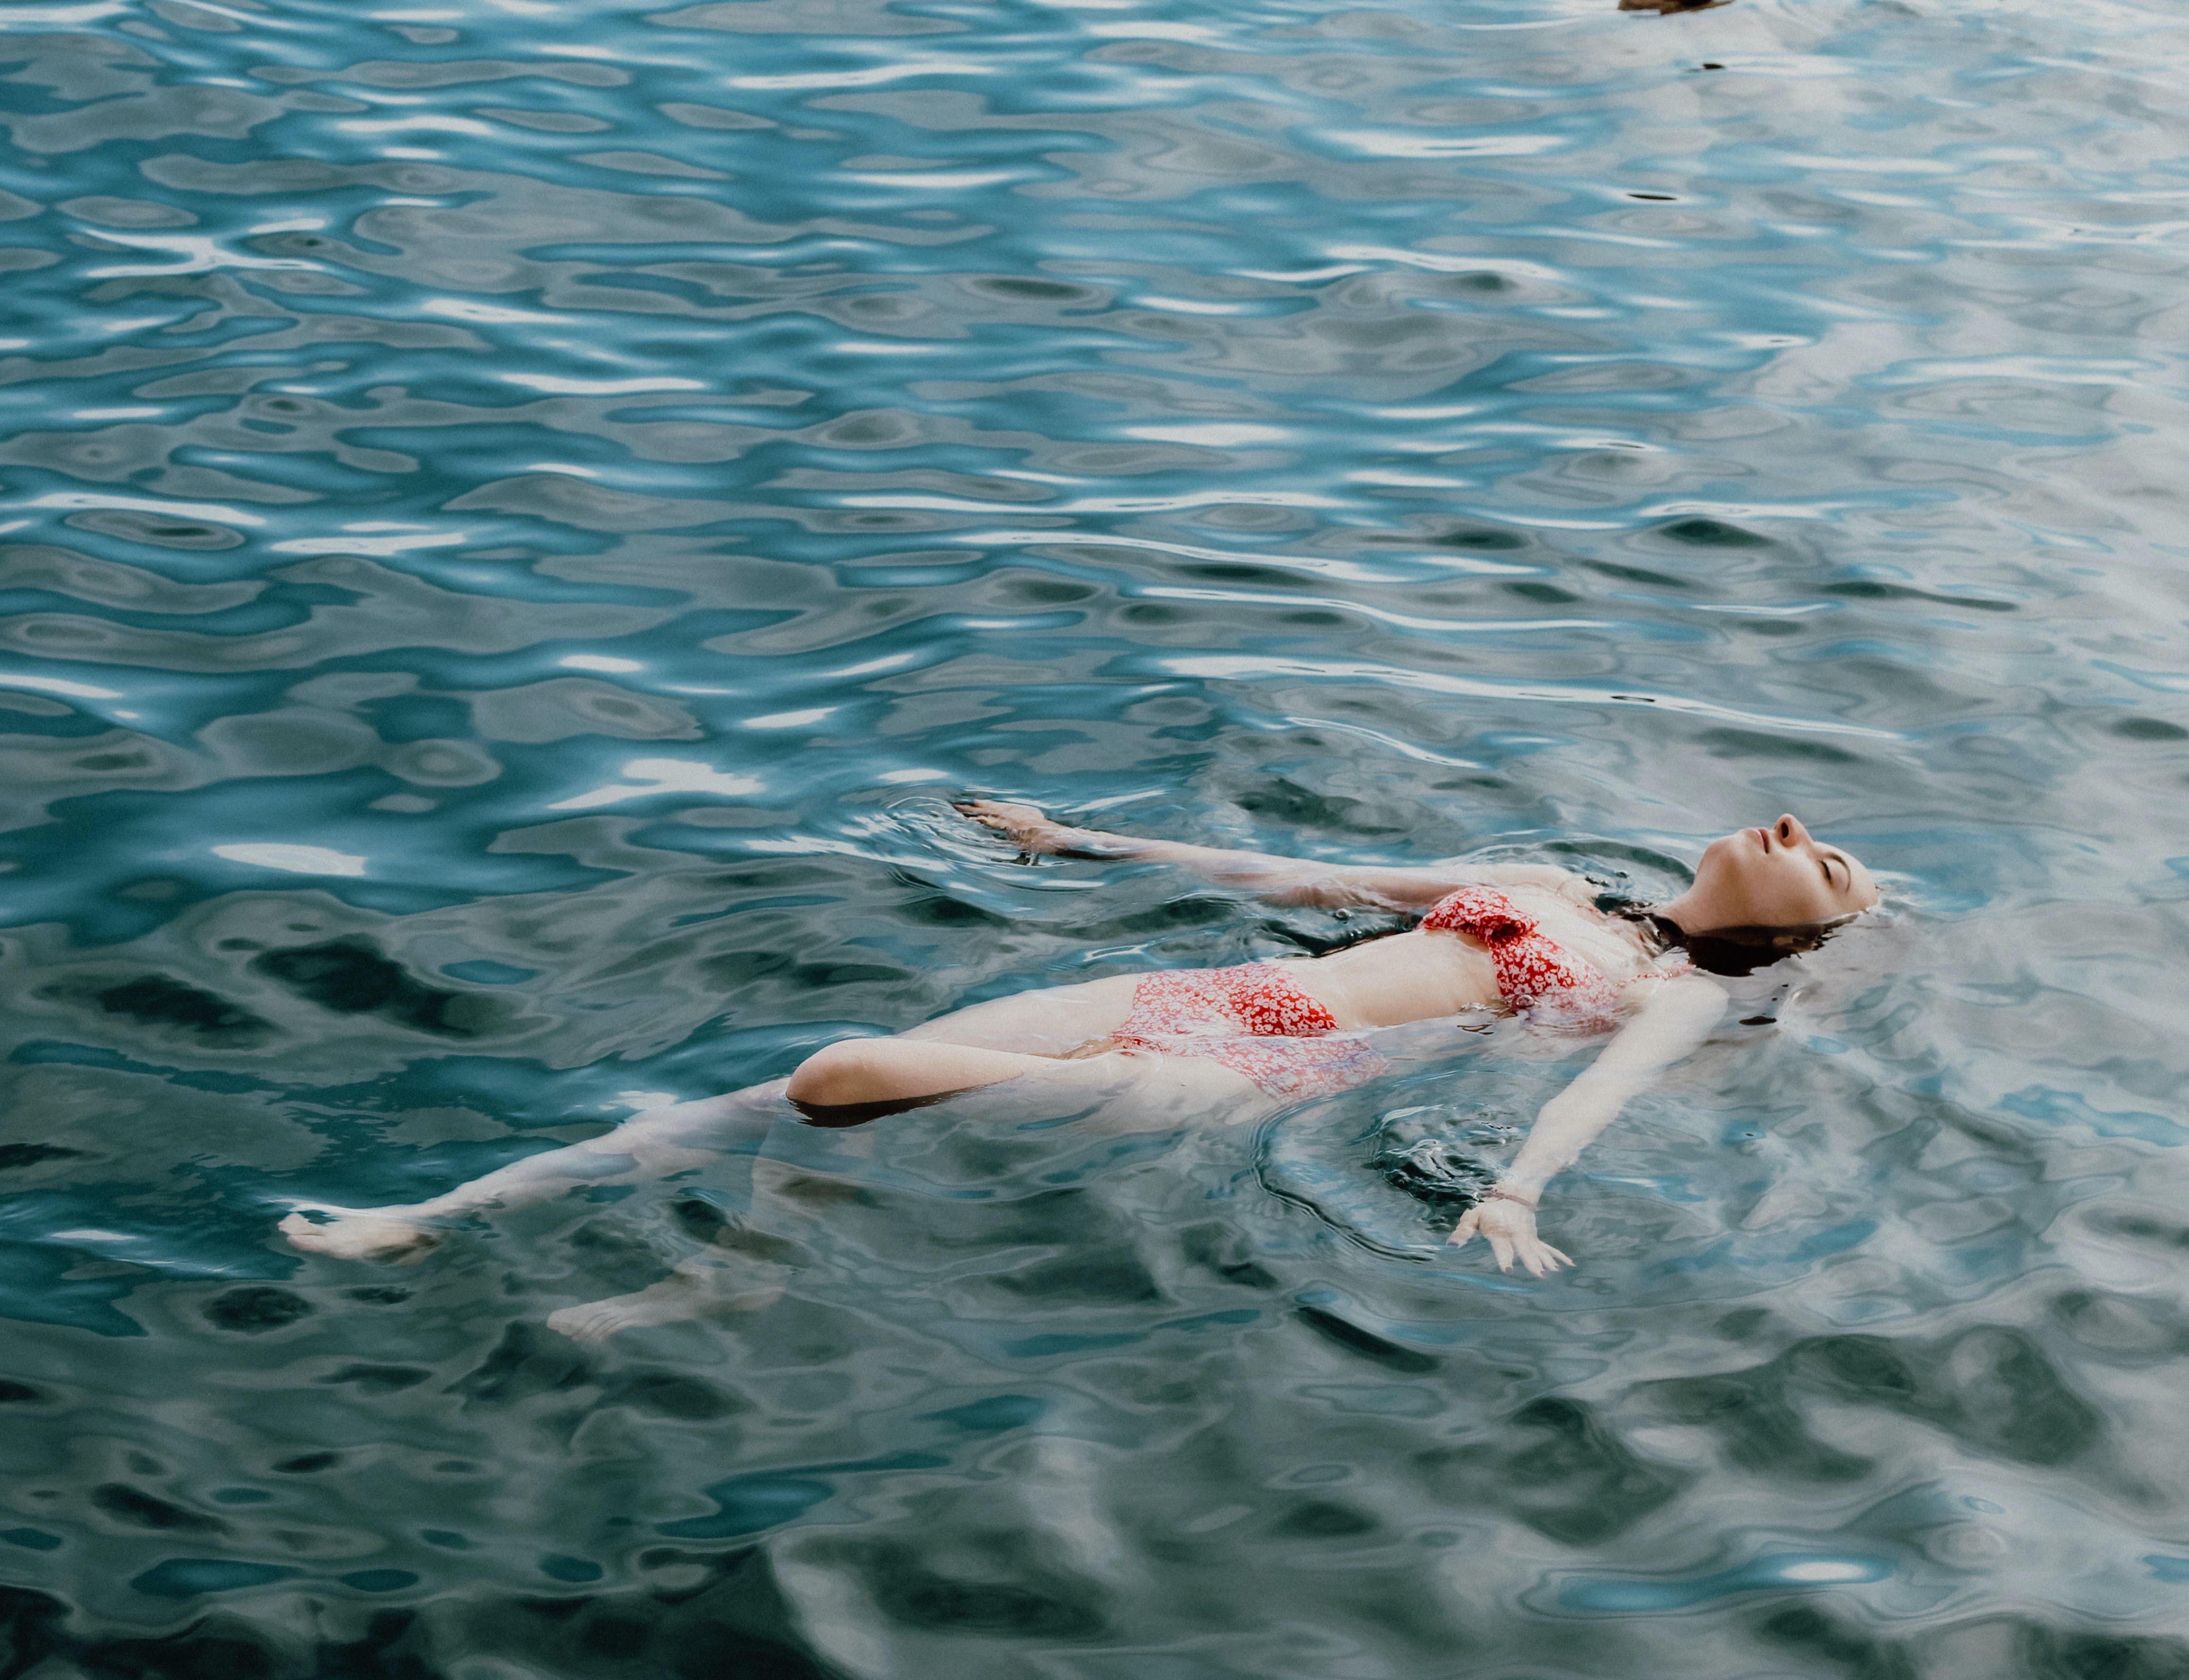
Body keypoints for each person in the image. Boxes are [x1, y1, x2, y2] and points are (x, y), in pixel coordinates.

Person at [279, 805, 1877, 1329]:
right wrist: (1074, 837)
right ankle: (437, 1213)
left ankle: (729, 1276)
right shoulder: (1534, 880)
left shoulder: (1661, 989)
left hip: (1266, 1074)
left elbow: (1595, 1094)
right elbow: (1300, 884)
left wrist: (1518, 1188)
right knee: (787, 1096)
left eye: (1832, 863)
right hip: (1212, 988)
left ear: (1802, 938)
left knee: (843, 1072)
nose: (1798, 834)